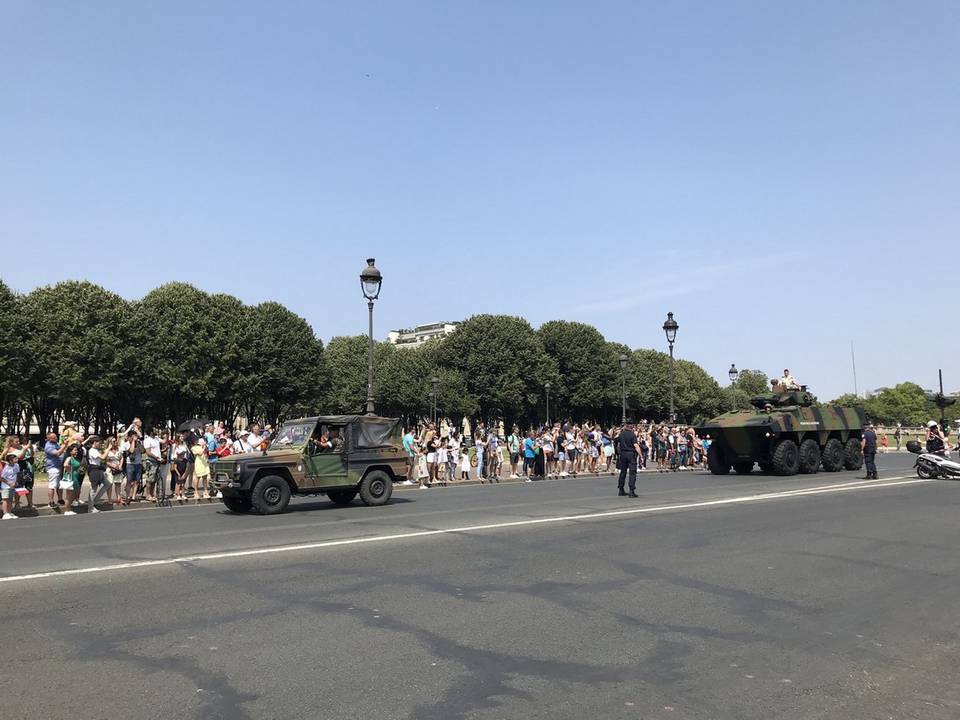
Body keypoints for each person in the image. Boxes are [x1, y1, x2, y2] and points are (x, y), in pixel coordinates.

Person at [617, 420, 641, 498]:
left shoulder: (621, 434)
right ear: (631, 426)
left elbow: (618, 445)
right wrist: (641, 455)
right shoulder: (632, 435)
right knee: (632, 472)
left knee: (623, 472)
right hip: (631, 454)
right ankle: (631, 490)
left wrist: (619, 453)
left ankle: (621, 489)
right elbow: (636, 446)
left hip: (623, 454)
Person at [43, 432, 67, 508]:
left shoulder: (55, 444)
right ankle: (51, 501)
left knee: (59, 485)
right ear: (49, 439)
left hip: (59, 466)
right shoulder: (48, 446)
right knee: (52, 485)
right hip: (53, 467)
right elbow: (57, 453)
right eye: (54, 438)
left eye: (56, 437)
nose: (56, 438)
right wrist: (64, 445)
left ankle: (60, 499)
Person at [62, 445, 82, 515]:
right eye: (75, 450)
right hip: (71, 477)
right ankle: (67, 510)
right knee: (69, 494)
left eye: (76, 450)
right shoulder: (69, 458)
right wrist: (70, 469)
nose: (76, 451)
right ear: (70, 451)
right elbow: (65, 465)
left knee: (77, 491)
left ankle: (71, 504)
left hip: (75, 477)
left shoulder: (75, 458)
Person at [2, 452, 19, 520]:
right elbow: (2, 478)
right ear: (10, 460)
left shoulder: (17, 465)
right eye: (15, 459)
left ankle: (9, 512)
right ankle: (5, 513)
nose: (16, 459)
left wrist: (16, 482)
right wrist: (9, 483)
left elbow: (17, 474)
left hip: (13, 485)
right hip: (6, 486)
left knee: (11, 499)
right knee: (5, 499)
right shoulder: (6, 468)